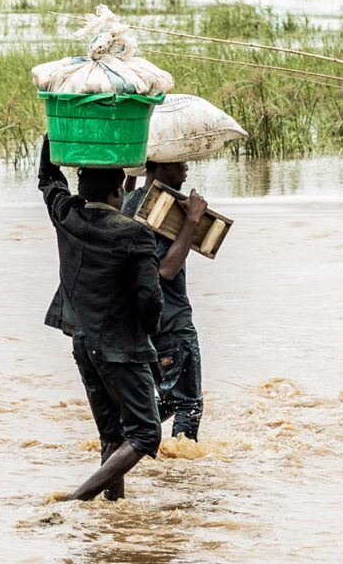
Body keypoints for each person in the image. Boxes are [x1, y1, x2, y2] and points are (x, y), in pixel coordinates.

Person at [39, 136, 165, 500]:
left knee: (112, 434)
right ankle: (78, 500)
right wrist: (151, 334)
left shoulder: (66, 214)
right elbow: (149, 298)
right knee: (144, 434)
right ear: (117, 193)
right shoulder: (135, 233)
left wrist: (52, 135)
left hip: (83, 341)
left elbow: (49, 178)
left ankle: (113, 510)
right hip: (120, 345)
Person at [121, 160, 213, 445]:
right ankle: (181, 476)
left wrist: (130, 178)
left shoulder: (131, 200)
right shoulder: (162, 209)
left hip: (144, 325)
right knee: (188, 404)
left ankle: (123, 441)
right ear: (161, 165)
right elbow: (165, 270)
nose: (186, 169)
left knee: (170, 400)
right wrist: (193, 220)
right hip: (172, 323)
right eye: (180, 163)